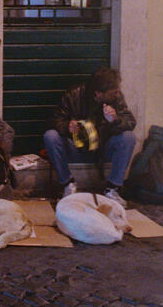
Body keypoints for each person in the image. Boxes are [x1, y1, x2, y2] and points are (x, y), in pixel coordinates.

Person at [43, 67, 137, 205]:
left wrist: (116, 119)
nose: (117, 94)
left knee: (129, 137)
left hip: (103, 149)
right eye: (113, 93)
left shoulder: (116, 98)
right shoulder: (73, 95)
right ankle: (68, 185)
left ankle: (112, 189)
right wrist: (67, 126)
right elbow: (54, 120)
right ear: (99, 93)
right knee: (50, 136)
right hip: (77, 148)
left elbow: (131, 121)